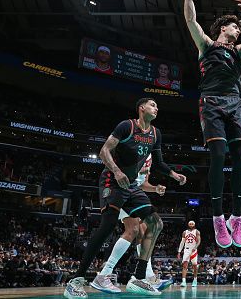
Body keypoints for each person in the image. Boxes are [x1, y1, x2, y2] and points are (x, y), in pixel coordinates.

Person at [64, 98, 187, 298]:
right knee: (108, 226)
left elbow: (160, 162)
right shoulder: (126, 126)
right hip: (112, 180)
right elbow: (104, 151)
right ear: (141, 108)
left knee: (155, 223)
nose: (156, 108)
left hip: (131, 184)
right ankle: (76, 281)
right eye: (152, 105)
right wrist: (117, 171)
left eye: (157, 106)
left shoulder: (156, 134)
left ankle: (138, 279)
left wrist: (174, 175)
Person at [184, 0, 241, 248]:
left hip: (235, 103)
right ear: (222, 29)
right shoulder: (206, 45)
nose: (238, 29)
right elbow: (191, 19)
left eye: (239, 27)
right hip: (211, 102)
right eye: (235, 26)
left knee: (240, 158)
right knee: (218, 155)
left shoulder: (240, 52)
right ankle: (218, 218)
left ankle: (236, 218)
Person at [90, 154, 174, 293]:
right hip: (120, 191)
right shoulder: (133, 149)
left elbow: (142, 183)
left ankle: (148, 276)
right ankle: (104, 274)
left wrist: (155, 188)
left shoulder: (149, 157)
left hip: (133, 192)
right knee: (133, 229)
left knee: (143, 230)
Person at [177, 221, 201, 287]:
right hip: (186, 250)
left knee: (195, 266)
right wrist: (179, 252)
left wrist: (195, 247)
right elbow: (182, 243)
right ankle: (183, 281)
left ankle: (195, 280)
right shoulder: (185, 232)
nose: (191, 225)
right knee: (184, 266)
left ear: (194, 224)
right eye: (190, 224)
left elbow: (199, 241)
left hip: (194, 250)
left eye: (192, 224)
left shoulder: (197, 231)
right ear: (188, 224)